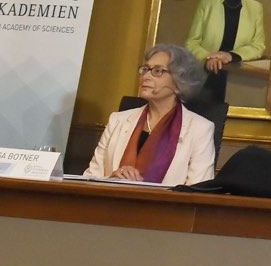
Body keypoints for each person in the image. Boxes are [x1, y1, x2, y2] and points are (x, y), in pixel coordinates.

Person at [84, 44, 216, 186]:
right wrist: (112, 179)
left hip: (164, 208)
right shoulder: (118, 120)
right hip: (109, 205)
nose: (145, 76)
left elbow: (198, 191)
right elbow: (89, 178)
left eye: (158, 71)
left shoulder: (200, 129)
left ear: (179, 83)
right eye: (145, 69)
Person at [185, 0, 266, 104]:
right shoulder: (206, 3)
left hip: (237, 79)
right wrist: (209, 57)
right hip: (204, 75)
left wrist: (230, 56)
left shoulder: (256, 8)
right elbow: (191, 43)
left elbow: (259, 45)